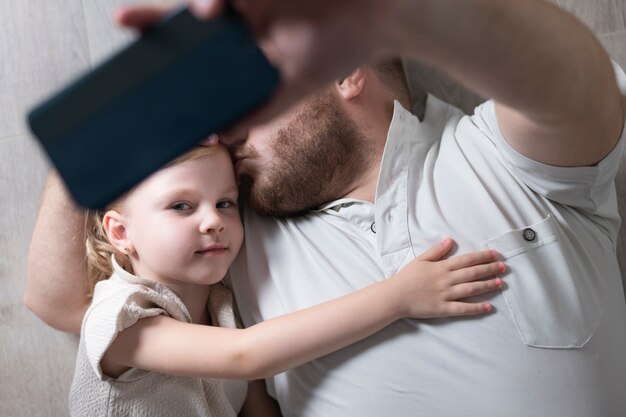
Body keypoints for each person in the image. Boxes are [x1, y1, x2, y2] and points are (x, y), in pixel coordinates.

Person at [25, 0, 626, 416]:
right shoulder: (226, 230)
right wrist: (100, 133)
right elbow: (63, 303)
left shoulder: (497, 154)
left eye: (245, 93)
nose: (223, 129)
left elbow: (574, 91)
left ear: (342, 70)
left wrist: (405, 17)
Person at [66, 142, 504, 417]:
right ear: (121, 233)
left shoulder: (222, 307)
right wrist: (398, 297)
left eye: (224, 203)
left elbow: (256, 404)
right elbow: (246, 357)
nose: (213, 221)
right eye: (181, 206)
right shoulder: (118, 318)